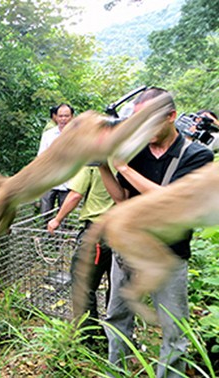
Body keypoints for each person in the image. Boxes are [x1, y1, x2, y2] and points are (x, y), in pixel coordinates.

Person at [97, 87, 213, 377]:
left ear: (171, 116)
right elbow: (123, 199)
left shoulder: (197, 156)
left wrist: (121, 166)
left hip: (168, 256)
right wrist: (103, 166)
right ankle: (117, 372)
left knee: (174, 328)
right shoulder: (136, 153)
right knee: (117, 317)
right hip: (128, 252)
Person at [47, 165, 114, 346]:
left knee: (83, 287)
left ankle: (88, 339)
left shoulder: (93, 163)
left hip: (98, 234)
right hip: (124, 233)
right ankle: (114, 337)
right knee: (116, 288)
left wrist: (57, 219)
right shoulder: (130, 156)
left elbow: (75, 194)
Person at [38, 103, 75, 215]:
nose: (63, 119)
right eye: (60, 116)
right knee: (45, 212)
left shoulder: (77, 135)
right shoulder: (48, 135)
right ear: (56, 117)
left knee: (64, 213)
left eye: (66, 116)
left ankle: (63, 232)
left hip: (68, 180)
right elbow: (41, 156)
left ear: (72, 117)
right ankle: (45, 232)